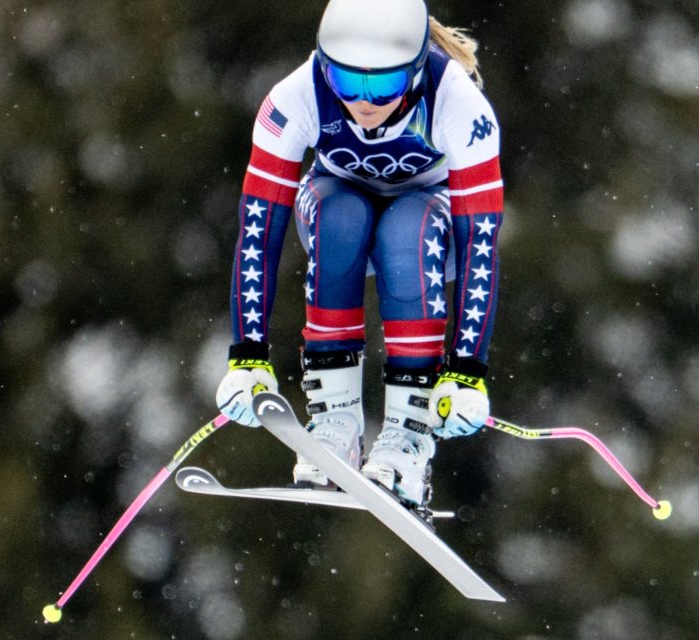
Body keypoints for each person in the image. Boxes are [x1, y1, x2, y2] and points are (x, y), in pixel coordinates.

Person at [213, 0, 503, 508]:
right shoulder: (296, 96)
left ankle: (408, 437)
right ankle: (335, 421)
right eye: (347, 83)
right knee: (341, 215)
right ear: (325, 66)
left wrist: (467, 371)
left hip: (432, 233)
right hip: (335, 212)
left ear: (415, 72)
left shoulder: (458, 102)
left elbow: (481, 240)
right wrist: (248, 355)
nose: (364, 103)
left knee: (405, 230)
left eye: (384, 87)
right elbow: (259, 227)